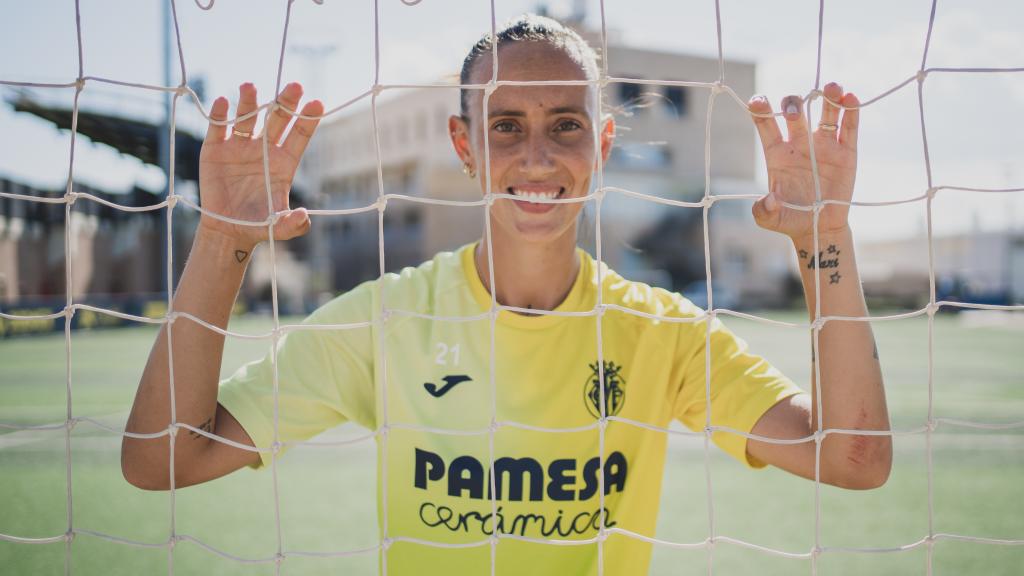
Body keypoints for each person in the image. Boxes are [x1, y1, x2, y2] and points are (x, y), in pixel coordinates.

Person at [121, 14, 891, 575]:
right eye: (505, 126)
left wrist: (824, 237)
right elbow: (161, 461)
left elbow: (854, 459)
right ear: (464, 146)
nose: (536, 156)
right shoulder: (387, 321)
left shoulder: (662, 333)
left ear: (602, 144)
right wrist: (224, 239)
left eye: (565, 125)